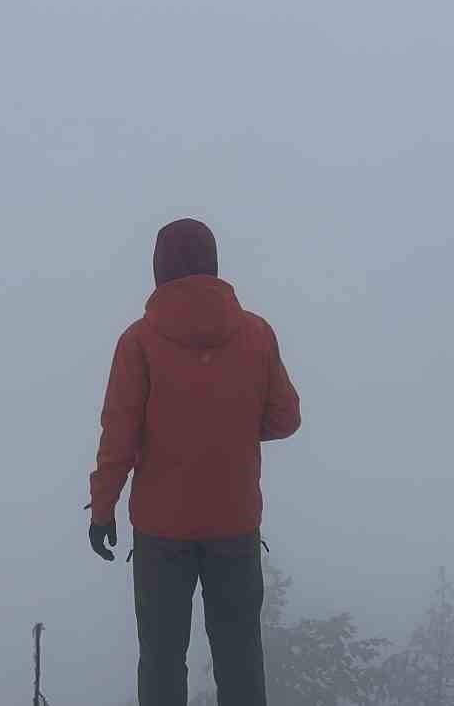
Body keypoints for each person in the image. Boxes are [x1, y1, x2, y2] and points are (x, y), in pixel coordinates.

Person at [88, 218, 301, 706]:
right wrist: (233, 427)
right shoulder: (256, 334)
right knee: (240, 658)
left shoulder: (139, 342)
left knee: (162, 661)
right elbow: (285, 418)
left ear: (159, 269)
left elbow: (118, 435)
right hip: (235, 524)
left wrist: (103, 509)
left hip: (162, 534)